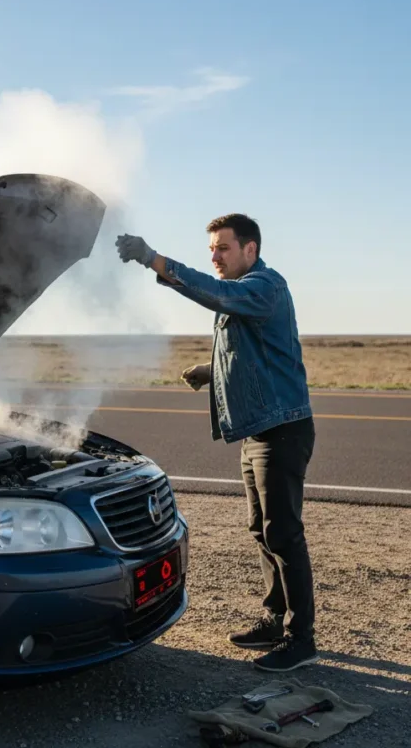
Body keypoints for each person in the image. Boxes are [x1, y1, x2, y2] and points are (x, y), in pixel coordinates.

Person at [115, 214, 318, 673]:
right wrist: (212, 372)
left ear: (250, 249)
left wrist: (153, 258)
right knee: (262, 530)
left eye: (222, 248)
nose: (215, 256)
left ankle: (301, 639)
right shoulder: (248, 294)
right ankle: (273, 619)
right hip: (259, 429)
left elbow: (215, 293)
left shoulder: (264, 286)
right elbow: (254, 349)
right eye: (211, 249)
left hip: (281, 432)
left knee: (284, 533)